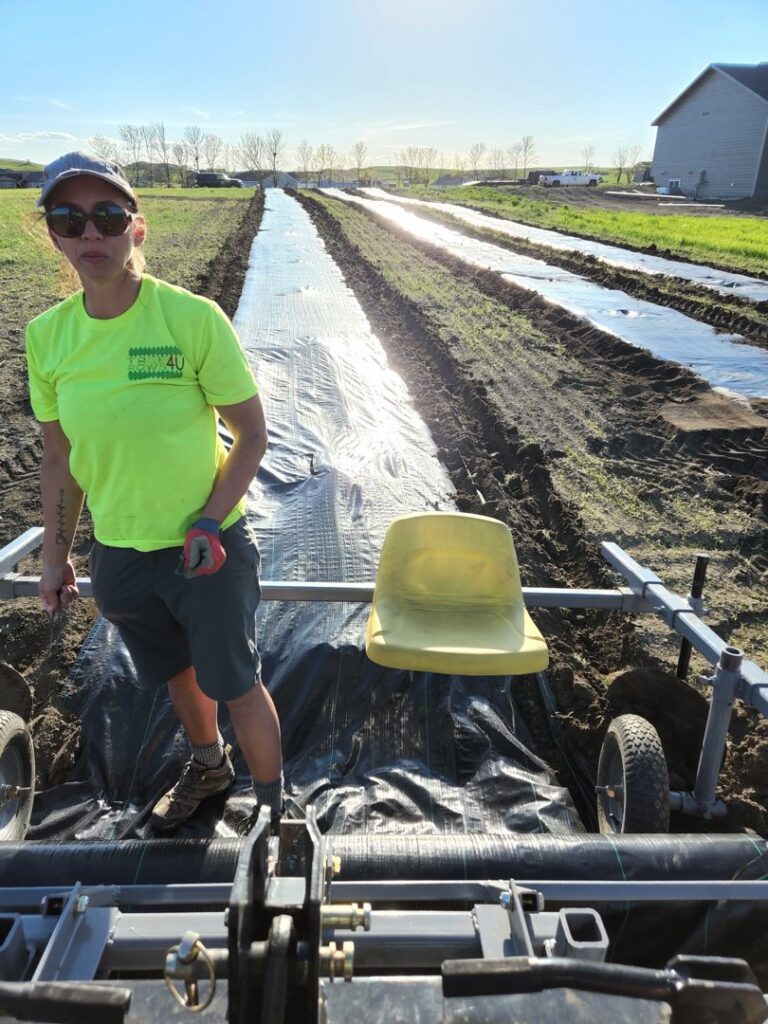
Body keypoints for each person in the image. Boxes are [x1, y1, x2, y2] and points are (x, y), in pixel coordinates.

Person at [25, 151, 283, 831]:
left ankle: (274, 813)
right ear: (52, 232)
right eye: (69, 218)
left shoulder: (190, 320)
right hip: (122, 554)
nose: (91, 234)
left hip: (207, 545)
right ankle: (209, 766)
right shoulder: (48, 339)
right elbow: (60, 457)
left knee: (235, 680)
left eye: (107, 216)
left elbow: (252, 436)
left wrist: (209, 520)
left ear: (135, 227)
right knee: (175, 669)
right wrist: (56, 555)